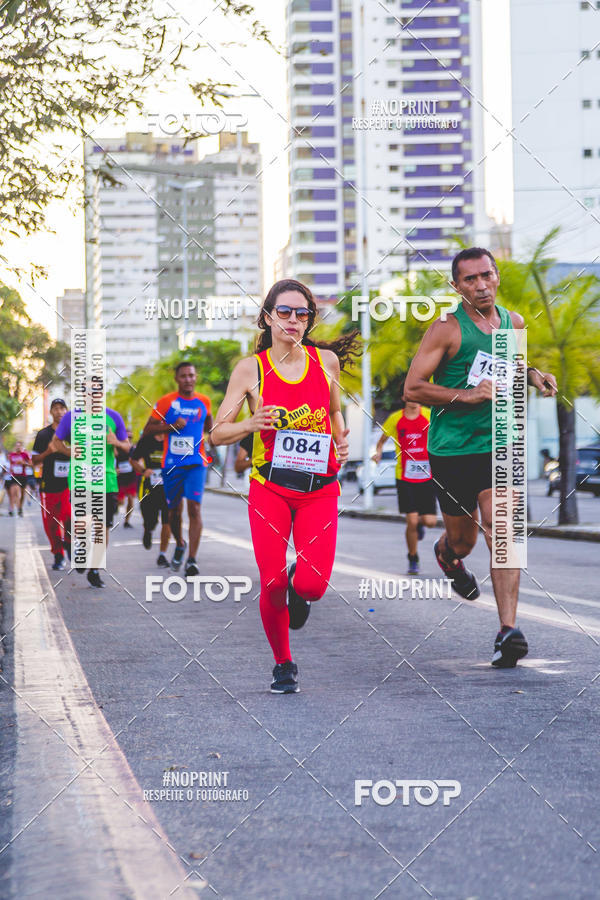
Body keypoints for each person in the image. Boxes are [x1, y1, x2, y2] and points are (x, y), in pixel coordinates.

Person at [404, 247, 557, 668]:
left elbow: (514, 363)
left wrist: (536, 376)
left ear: (497, 276)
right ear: (456, 286)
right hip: (452, 449)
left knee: (502, 527)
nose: (481, 284)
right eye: (470, 279)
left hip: (500, 440)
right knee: (465, 541)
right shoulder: (446, 330)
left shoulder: (513, 322)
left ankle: (508, 629)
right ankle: (447, 554)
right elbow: (413, 389)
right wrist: (468, 395)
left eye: (486, 275)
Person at [211, 278, 359, 694]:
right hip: (270, 487)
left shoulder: (324, 362)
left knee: (310, 586)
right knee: (272, 582)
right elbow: (217, 434)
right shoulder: (251, 368)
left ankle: (299, 578)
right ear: (268, 316)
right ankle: (283, 662)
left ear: (309, 320)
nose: (293, 320)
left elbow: (332, 408)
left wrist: (342, 435)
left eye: (302, 314)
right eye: (285, 312)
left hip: (319, 487)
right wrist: (250, 423)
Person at [51, 394, 131, 588]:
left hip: (107, 480)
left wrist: (117, 442)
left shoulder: (113, 417)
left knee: (102, 527)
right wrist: (70, 451)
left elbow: (127, 447)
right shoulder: (71, 417)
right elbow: (56, 442)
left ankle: (94, 569)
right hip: (80, 479)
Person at [141, 363, 213, 577]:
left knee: (195, 509)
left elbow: (210, 425)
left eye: (191, 375)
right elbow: (147, 429)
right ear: (177, 379)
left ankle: (191, 560)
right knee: (174, 511)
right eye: (183, 376)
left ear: (196, 377)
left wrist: (215, 435)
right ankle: (180, 543)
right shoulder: (166, 402)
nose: (188, 379)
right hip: (172, 465)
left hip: (196, 464)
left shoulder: (204, 402)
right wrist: (169, 426)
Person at [373, 394, 436, 575]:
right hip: (404, 475)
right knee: (411, 520)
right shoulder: (395, 418)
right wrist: (377, 453)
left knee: (429, 521)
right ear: (404, 398)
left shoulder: (428, 415)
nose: (414, 400)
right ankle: (413, 558)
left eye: (417, 396)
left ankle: (420, 526)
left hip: (426, 475)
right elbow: (381, 441)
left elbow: (438, 436)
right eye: (410, 396)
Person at [32, 398, 71, 570]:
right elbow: (34, 460)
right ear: (51, 412)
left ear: (66, 411)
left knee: (70, 516)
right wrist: (49, 451)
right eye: (55, 408)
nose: (59, 411)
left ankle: (69, 543)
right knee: (52, 522)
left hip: (70, 483)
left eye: (62, 408)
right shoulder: (43, 435)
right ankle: (58, 554)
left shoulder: (74, 432)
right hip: (49, 484)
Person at [130, 429, 171, 566]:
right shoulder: (146, 440)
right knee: (150, 520)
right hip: (149, 488)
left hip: (169, 487)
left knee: (168, 520)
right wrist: (143, 471)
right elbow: (133, 460)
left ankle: (162, 555)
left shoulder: (172, 438)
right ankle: (148, 530)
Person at [116, 430, 137, 528]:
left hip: (130, 478)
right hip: (120, 479)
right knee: (120, 502)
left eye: (130, 437)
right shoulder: (117, 448)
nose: (129, 439)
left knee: (130, 501)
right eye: (127, 437)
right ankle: (114, 507)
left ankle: (127, 521)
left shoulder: (134, 449)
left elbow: (138, 460)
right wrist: (114, 468)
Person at [6, 441, 31, 517]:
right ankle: (13, 508)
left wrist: (23, 463)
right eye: (16, 446)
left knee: (22, 495)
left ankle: (20, 508)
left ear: (21, 447)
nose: (18, 447)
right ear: (15, 447)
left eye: (19, 446)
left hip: (23, 476)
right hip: (14, 476)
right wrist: (10, 470)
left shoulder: (25, 454)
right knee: (15, 492)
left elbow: (30, 464)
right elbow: (11, 465)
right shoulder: (11, 455)